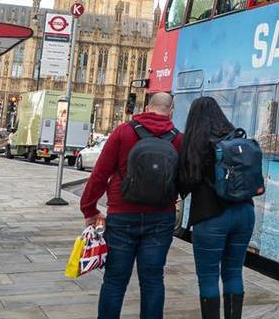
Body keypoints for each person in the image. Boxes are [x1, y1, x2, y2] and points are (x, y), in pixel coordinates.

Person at [80, 92, 182, 319]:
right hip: (160, 219)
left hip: (122, 216)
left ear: (147, 107)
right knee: (153, 281)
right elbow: (185, 179)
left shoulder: (123, 132)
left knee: (115, 281)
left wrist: (89, 209)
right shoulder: (178, 139)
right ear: (171, 110)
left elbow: (99, 174)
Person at [177, 97, 255, 319]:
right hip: (245, 213)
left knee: (209, 277)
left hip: (211, 216)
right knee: (233, 274)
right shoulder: (235, 138)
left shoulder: (195, 143)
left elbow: (186, 183)